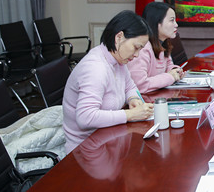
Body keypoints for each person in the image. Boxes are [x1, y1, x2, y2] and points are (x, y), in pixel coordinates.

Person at [63, 10, 154, 153]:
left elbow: (130, 86)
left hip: (107, 138)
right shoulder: (95, 68)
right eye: (136, 48)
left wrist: (133, 99)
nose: (137, 55)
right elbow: (85, 117)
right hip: (85, 149)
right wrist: (130, 115)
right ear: (119, 37)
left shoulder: (118, 60)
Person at [128, 2, 185, 93]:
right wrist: (170, 77)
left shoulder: (163, 42)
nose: (176, 25)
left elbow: (168, 65)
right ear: (157, 23)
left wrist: (175, 71)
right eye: (172, 20)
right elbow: (139, 85)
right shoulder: (142, 48)